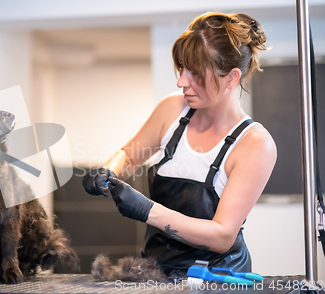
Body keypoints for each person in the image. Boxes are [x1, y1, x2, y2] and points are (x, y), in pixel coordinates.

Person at [83, 12, 277, 273]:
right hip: (156, 272)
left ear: (231, 77)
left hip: (217, 278)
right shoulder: (173, 109)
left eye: (195, 73)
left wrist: (148, 211)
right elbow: (129, 156)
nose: (181, 81)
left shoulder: (254, 144)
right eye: (182, 67)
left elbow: (222, 236)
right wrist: (109, 170)